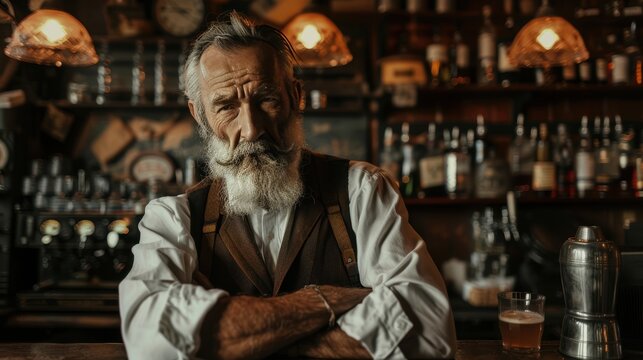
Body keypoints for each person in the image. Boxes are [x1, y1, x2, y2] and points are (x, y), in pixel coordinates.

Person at [119, 11, 456, 360]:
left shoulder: (362, 190)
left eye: (266, 99)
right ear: (199, 114)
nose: (251, 129)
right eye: (226, 106)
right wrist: (322, 302)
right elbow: (148, 343)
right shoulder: (173, 218)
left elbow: (429, 335)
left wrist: (240, 343)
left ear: (295, 96)